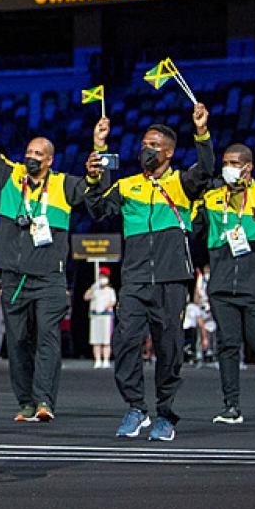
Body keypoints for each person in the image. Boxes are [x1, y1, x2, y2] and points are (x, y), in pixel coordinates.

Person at [0, 82, 108, 423]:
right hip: (13, 277)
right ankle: (26, 402)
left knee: (46, 338)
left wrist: (99, 148)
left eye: (38, 155)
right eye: (28, 152)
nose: (31, 158)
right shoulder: (11, 175)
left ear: (50, 159)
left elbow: (95, 195)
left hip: (48, 278)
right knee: (17, 343)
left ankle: (45, 402)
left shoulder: (63, 184)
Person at [86, 103, 214, 442]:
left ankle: (165, 415)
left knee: (169, 349)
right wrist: (97, 163)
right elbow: (98, 209)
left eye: (154, 145)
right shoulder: (127, 186)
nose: (147, 149)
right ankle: (135, 407)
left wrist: (201, 132)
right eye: (144, 143)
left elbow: (206, 170)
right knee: (125, 343)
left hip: (172, 279)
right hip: (135, 279)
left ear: (169, 153)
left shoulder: (184, 183)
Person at [193, 144, 255, 423]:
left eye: (233, 163)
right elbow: (196, 231)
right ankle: (231, 406)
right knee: (227, 345)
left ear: (248, 167)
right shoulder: (213, 198)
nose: (227, 167)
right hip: (222, 284)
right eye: (225, 162)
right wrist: (195, 207)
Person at [83, 268, 117, 368]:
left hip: (106, 317)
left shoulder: (110, 290)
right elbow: (85, 297)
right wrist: (93, 288)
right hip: (95, 317)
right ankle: (97, 360)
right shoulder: (95, 289)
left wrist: (105, 307)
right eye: (100, 276)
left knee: (106, 340)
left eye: (104, 276)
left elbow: (113, 301)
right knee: (96, 340)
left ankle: (106, 360)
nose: (102, 278)